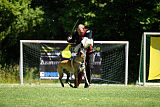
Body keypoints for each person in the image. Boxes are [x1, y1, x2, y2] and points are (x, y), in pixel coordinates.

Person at [67, 24, 94, 88]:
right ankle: (76, 84)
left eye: (80, 30)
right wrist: (69, 39)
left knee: (89, 67)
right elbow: (72, 40)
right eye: (78, 30)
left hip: (89, 53)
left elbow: (89, 38)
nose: (78, 31)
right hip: (80, 54)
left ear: (83, 28)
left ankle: (87, 84)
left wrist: (82, 39)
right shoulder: (76, 33)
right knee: (78, 69)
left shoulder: (88, 32)